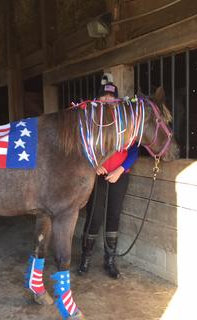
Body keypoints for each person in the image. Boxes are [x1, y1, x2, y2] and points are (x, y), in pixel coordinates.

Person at [78, 74, 139, 279]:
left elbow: (134, 150)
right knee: (94, 215)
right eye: (103, 97)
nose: (107, 100)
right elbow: (83, 146)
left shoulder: (125, 122)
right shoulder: (91, 121)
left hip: (119, 175)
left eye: (110, 97)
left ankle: (110, 260)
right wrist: (94, 164)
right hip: (97, 175)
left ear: (116, 99)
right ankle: (85, 257)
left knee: (113, 215)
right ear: (98, 99)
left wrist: (121, 169)